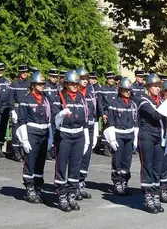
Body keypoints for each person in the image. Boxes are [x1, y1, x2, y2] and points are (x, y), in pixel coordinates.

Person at [52, 70, 89, 212]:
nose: (75, 85)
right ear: (66, 84)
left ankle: (72, 194)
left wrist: (85, 135)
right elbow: (54, 119)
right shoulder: (59, 97)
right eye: (72, 83)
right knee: (61, 166)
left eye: (76, 83)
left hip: (79, 135)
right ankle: (62, 195)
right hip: (64, 135)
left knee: (75, 166)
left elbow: (85, 116)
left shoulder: (81, 97)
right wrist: (60, 115)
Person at [15, 71, 51, 204]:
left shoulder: (46, 98)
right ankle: (29, 187)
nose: (42, 86)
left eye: (43, 83)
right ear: (33, 84)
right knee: (30, 160)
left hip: (44, 132)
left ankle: (38, 186)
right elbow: (22, 120)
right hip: (31, 132)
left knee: (41, 161)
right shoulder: (26, 98)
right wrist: (24, 139)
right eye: (39, 84)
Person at [137, 73, 167, 214]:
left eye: (158, 86)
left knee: (157, 167)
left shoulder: (160, 101)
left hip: (158, 137)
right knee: (148, 167)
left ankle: (155, 194)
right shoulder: (144, 100)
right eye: (155, 86)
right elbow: (156, 115)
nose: (157, 89)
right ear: (148, 87)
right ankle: (148, 196)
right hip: (147, 137)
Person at [104, 77, 138, 196]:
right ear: (120, 90)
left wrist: (136, 139)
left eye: (129, 90)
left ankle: (124, 181)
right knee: (117, 160)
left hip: (129, 135)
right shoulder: (114, 104)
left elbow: (136, 122)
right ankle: (117, 182)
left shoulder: (133, 104)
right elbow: (110, 123)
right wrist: (112, 139)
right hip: (118, 135)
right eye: (125, 90)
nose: (128, 92)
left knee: (127, 161)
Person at [75, 67, 98, 200]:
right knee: (78, 155)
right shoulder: (74, 92)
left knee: (87, 155)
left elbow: (94, 108)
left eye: (86, 79)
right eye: (82, 79)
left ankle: (81, 181)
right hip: (79, 127)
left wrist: (95, 125)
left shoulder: (90, 90)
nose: (85, 81)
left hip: (89, 125)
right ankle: (74, 184)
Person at [9, 64, 31, 162]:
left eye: (26, 72)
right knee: (16, 130)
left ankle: (22, 149)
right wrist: (12, 110)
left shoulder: (29, 84)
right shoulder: (14, 84)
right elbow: (10, 98)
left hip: (26, 109)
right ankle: (15, 151)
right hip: (17, 109)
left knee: (25, 130)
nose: (24, 74)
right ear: (19, 73)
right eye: (22, 72)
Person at [99, 71, 119, 157]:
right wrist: (102, 113)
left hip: (115, 112)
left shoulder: (116, 89)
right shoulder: (102, 89)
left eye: (112, 79)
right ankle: (106, 148)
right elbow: (99, 103)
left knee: (114, 130)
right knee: (106, 130)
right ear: (106, 79)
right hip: (106, 112)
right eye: (109, 78)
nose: (111, 80)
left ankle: (113, 147)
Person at [44, 68, 60, 160]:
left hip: (57, 114)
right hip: (49, 114)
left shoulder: (58, 87)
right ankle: (48, 151)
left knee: (55, 134)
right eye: (53, 77)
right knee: (49, 134)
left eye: (55, 77)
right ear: (49, 76)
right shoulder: (45, 87)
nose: (54, 79)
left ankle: (54, 151)